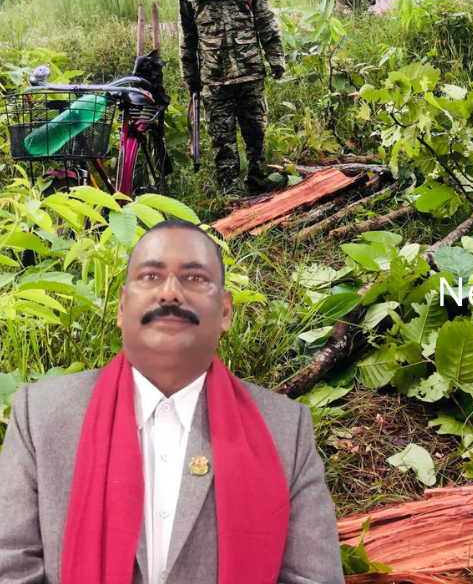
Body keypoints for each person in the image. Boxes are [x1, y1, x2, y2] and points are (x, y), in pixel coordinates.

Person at [0, 219, 346, 582]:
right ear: (121, 306)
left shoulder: (285, 430)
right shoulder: (41, 415)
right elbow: (10, 566)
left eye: (194, 278)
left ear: (225, 311)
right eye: (151, 276)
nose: (169, 293)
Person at [178, 0, 286, 194]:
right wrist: (190, 76)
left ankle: (258, 182)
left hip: (249, 69)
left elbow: (264, 19)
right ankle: (231, 192)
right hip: (215, 76)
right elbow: (188, 34)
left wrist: (275, 58)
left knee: (256, 132)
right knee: (222, 140)